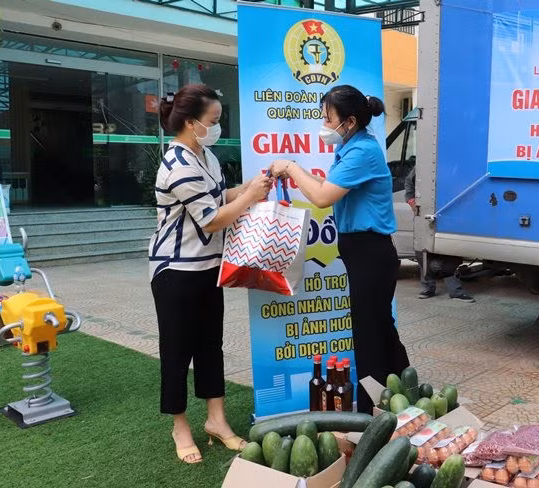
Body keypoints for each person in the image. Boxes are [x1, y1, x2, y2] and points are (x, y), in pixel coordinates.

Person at [268, 85, 410, 414]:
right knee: (380, 327)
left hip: (371, 253)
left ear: (349, 121)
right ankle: (404, 394)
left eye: (327, 118)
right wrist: (293, 173)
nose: (323, 124)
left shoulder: (362, 152)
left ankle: (371, 412)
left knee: (369, 334)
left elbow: (321, 197)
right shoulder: (349, 147)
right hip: (363, 252)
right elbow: (325, 188)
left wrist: (290, 166)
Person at [151, 84, 273, 464]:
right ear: (191, 123)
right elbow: (211, 219)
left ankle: (217, 421)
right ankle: (180, 426)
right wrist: (249, 197)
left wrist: (250, 188)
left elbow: (218, 199)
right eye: (213, 121)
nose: (218, 126)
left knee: (210, 346)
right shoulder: (177, 165)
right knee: (176, 351)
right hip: (175, 272)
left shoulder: (205, 156)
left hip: (207, 268)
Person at [404, 167, 475, 302]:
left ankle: (455, 291)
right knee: (423, 251)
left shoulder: (455, 163)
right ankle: (428, 288)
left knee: (449, 251)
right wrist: (412, 201)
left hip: (450, 211)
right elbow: (409, 182)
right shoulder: (424, 162)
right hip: (425, 212)